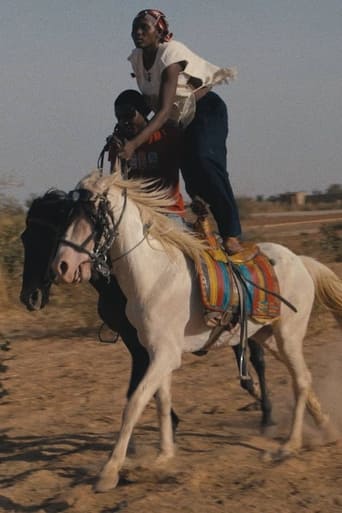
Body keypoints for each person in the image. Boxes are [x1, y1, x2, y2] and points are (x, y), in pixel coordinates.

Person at [117, 8, 243, 255]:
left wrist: (133, 146)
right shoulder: (137, 59)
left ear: (160, 31)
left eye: (145, 27)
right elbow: (149, 105)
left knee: (204, 159)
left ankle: (232, 233)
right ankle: (202, 222)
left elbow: (163, 111)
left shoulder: (169, 54)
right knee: (187, 170)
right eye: (135, 28)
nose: (138, 32)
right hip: (178, 117)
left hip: (205, 110)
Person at [108, 88, 185, 217]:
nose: (124, 121)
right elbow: (115, 181)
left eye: (129, 114)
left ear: (143, 111)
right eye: (119, 117)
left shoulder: (165, 134)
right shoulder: (120, 142)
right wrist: (117, 154)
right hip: (136, 212)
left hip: (168, 209)